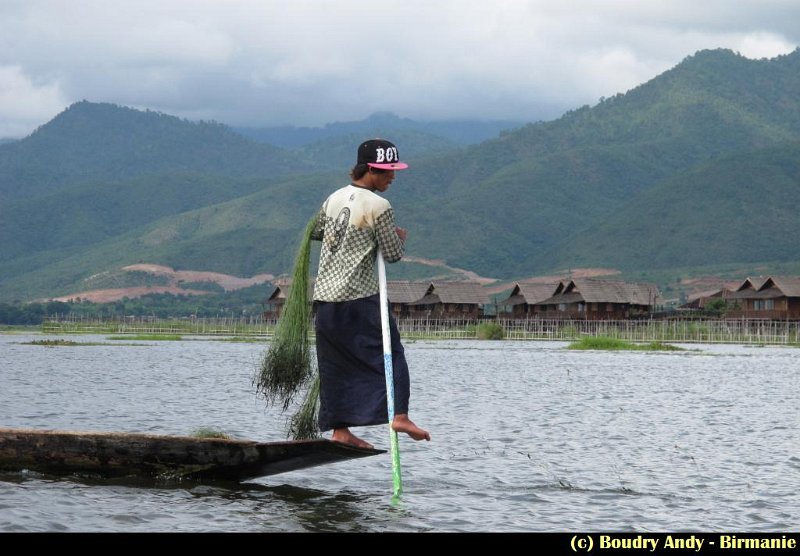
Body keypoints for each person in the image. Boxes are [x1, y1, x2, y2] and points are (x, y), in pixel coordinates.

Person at [309, 139, 431, 449]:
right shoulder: (379, 206)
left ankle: (341, 431)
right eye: (388, 171)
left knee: (334, 364)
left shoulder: (333, 198)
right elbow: (391, 254)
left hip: (326, 300)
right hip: (361, 297)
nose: (393, 177)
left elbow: (316, 232)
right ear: (371, 170)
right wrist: (399, 238)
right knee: (392, 355)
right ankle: (400, 415)